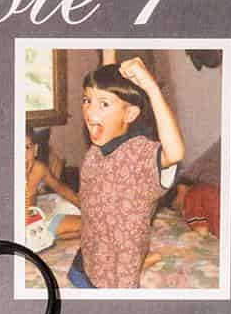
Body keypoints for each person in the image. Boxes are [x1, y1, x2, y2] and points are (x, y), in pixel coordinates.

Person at [68, 51, 185, 288]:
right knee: (76, 277)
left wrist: (151, 89)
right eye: (86, 100)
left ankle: (142, 260)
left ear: (130, 114)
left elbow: (175, 153)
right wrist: (108, 52)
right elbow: (110, 94)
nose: (90, 112)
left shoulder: (139, 155)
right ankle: (145, 259)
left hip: (118, 267)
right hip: (90, 253)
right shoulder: (97, 150)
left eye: (103, 104)